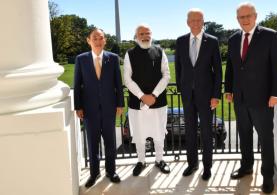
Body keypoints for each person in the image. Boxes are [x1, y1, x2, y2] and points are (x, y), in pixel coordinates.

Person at [224, 2, 277, 193]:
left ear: (255, 16)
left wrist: (276, 93)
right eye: (241, 17)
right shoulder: (233, 39)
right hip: (240, 99)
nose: (245, 20)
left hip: (263, 98)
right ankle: (246, 166)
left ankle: (267, 176)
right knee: (244, 134)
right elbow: (232, 67)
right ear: (237, 19)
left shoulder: (270, 36)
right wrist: (228, 89)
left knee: (266, 138)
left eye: (248, 16)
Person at [175, 8, 222, 181]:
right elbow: (179, 68)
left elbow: (218, 70)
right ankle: (192, 164)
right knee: (190, 131)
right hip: (187, 95)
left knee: (207, 132)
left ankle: (207, 167)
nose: (196, 22)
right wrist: (181, 89)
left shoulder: (212, 41)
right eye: (192, 20)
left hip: (207, 95)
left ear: (203, 22)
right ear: (188, 22)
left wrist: (216, 95)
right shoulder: (180, 41)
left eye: (199, 19)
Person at [73, 28, 124, 188]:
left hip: (109, 108)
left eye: (101, 37)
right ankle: (94, 173)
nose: (98, 40)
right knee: (92, 143)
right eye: (95, 38)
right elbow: (77, 84)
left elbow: (118, 83)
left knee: (110, 142)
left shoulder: (113, 58)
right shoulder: (81, 59)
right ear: (88, 40)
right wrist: (78, 106)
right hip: (89, 110)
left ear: (105, 40)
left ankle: (111, 171)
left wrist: (120, 103)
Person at [124, 24, 171, 176]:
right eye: (141, 33)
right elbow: (127, 79)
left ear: (151, 34)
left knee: (159, 133)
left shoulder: (160, 51)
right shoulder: (129, 53)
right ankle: (141, 161)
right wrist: (142, 96)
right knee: (139, 134)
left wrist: (154, 95)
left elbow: (166, 75)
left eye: (147, 33)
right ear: (136, 36)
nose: (145, 36)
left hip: (159, 102)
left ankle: (160, 160)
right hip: (137, 103)